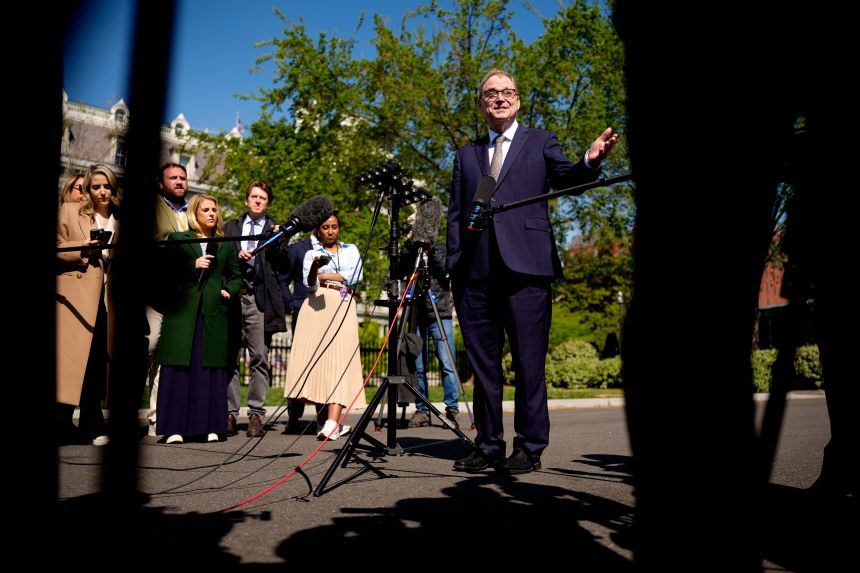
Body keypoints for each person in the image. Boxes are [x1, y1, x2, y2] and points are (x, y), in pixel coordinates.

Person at [446, 69, 617, 474]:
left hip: (527, 270)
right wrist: (455, 266)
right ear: (480, 104)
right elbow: (455, 216)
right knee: (485, 367)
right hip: (476, 275)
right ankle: (488, 444)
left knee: (528, 363)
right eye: (491, 93)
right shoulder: (465, 155)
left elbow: (567, 178)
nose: (499, 98)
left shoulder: (539, 141)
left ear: (518, 100)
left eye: (507, 92)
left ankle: (529, 447)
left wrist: (589, 160)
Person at [156, 194, 242, 444]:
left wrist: (229, 291)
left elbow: (236, 276)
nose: (212, 214)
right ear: (195, 213)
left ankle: (213, 427)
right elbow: (165, 274)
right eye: (206, 209)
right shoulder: (178, 240)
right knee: (179, 368)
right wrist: (192, 265)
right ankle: (174, 428)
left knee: (210, 369)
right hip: (183, 314)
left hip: (213, 315)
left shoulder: (225, 243)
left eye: (214, 209)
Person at [284, 213, 366, 440]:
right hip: (316, 306)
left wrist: (326, 274)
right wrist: (314, 270)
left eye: (334, 227)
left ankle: (332, 421)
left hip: (342, 303)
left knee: (340, 361)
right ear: (318, 230)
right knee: (320, 363)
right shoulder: (311, 253)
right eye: (325, 227)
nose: (330, 231)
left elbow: (356, 276)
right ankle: (329, 422)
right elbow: (309, 285)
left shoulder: (351, 249)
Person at [56, 163, 120, 445]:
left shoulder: (121, 219)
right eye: (96, 187)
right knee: (70, 362)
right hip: (76, 296)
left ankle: (92, 425)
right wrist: (83, 247)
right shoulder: (71, 211)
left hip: (108, 297)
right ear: (88, 190)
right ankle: (59, 423)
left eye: (107, 186)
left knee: (97, 362)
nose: (102, 191)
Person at [223, 180, 288, 438]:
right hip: (233, 297)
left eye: (262, 197)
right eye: (254, 196)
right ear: (246, 200)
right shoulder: (231, 227)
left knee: (259, 358)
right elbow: (220, 259)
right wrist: (236, 254)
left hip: (259, 300)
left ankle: (256, 416)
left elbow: (283, 264)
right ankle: (229, 413)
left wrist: (278, 239)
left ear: (267, 202)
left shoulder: (275, 230)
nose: (258, 200)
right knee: (230, 358)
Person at [145, 162, 189, 437]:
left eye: (183, 177)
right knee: (148, 349)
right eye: (173, 178)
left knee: (165, 361)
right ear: (161, 183)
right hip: (154, 292)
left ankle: (156, 418)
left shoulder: (193, 211)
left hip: (184, 295)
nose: (179, 181)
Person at [401, 236, 461, 429]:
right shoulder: (411, 251)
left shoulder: (441, 249)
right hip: (417, 314)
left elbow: (445, 270)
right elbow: (400, 268)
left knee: (447, 364)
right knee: (418, 366)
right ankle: (422, 410)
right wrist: (410, 245)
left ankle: (451, 409)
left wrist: (430, 248)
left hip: (440, 313)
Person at [279, 231, 318, 431]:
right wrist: (291, 303)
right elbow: (284, 279)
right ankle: (294, 414)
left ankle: (324, 415)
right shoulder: (297, 249)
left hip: (328, 313)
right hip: (302, 311)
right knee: (300, 363)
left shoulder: (336, 249)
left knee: (324, 362)